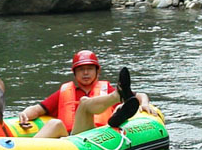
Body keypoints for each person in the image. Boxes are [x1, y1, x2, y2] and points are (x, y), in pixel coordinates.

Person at [17, 50, 149, 138]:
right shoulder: (64, 92)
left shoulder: (105, 87)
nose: (85, 73)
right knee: (55, 123)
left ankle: (118, 108)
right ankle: (116, 97)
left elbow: (140, 96)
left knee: (118, 107)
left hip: (101, 135)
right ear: (74, 73)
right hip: (73, 138)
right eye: (81, 70)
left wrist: (144, 104)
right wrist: (24, 114)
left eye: (90, 69)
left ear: (97, 71)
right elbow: (37, 109)